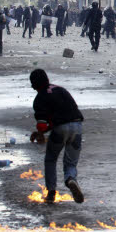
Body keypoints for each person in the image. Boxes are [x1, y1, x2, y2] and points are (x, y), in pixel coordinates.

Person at [29, 69, 84, 204]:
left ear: (34, 85)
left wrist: (40, 133)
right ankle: (71, 179)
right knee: (71, 162)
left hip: (60, 129)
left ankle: (51, 192)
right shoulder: (60, 89)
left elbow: (42, 125)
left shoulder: (40, 98)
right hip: (77, 126)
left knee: (51, 159)